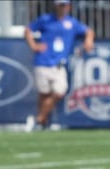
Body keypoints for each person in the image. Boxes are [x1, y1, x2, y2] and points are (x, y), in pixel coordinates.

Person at [24, 0, 94, 131]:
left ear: (69, 6)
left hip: (59, 64)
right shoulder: (46, 19)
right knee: (44, 93)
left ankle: (39, 118)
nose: (63, 7)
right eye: (60, 5)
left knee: (59, 92)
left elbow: (88, 31)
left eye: (65, 5)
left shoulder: (72, 23)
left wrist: (88, 41)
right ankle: (42, 123)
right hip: (43, 61)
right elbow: (28, 30)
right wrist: (33, 45)